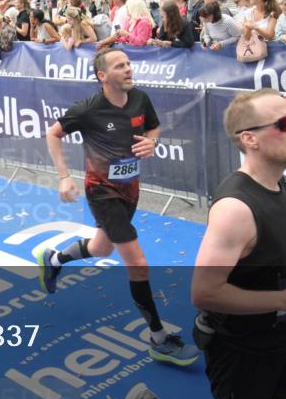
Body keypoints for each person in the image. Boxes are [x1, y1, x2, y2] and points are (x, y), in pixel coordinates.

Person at [162, 89, 286, 399]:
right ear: (250, 139)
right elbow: (204, 292)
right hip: (240, 347)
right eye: (285, 122)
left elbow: (273, 245)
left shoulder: (277, 183)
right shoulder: (235, 209)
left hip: (284, 333)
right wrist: (283, 298)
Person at [38, 48, 200, 367]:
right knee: (137, 263)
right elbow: (53, 133)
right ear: (103, 76)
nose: (128, 69)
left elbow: (153, 127)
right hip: (102, 191)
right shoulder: (88, 109)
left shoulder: (140, 98)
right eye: (119, 66)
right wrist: (63, 175)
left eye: (128, 64)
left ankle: (54, 258)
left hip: (130, 190)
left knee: (102, 248)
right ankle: (157, 339)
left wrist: (153, 141)